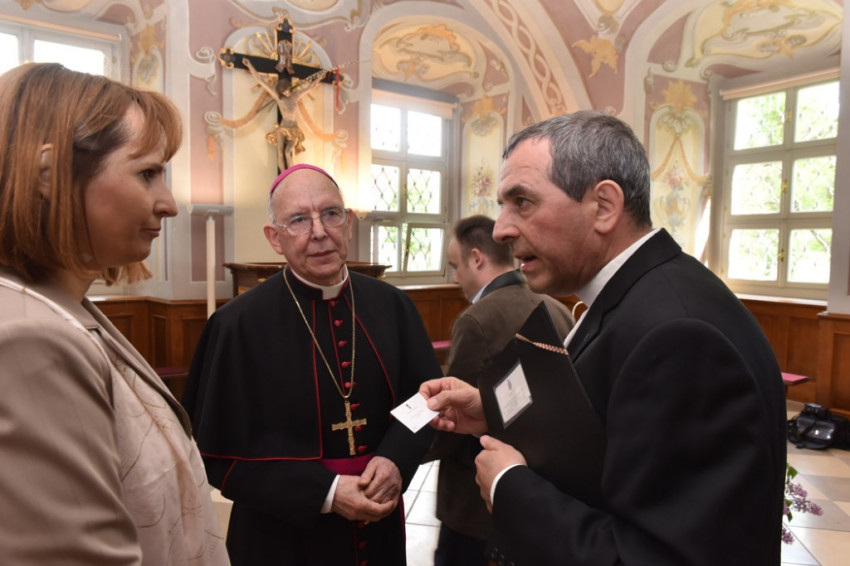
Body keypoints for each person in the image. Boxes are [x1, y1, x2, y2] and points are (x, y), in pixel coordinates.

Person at [420, 111, 787, 565]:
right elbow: (607, 436)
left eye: (522, 202)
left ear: (604, 206)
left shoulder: (679, 335)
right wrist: (493, 413)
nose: (501, 228)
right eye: (503, 204)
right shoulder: (637, 293)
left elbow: (657, 556)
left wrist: (508, 486)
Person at [0, 63, 228, 565]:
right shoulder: (27, 339)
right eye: (147, 173)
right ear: (49, 175)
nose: (168, 204)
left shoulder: (60, 307)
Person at [182, 163, 443, 565]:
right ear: (275, 238)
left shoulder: (393, 306)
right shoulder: (236, 325)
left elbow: (424, 402)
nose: (319, 232)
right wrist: (327, 492)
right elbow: (216, 456)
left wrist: (396, 459)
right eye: (299, 220)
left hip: (379, 527)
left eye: (331, 214)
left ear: (348, 223)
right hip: (280, 539)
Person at [426, 214, 574, 566]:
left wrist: (400, 452)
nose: (455, 278)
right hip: (541, 490)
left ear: (477, 258)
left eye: (456, 266)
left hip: (476, 499)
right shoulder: (557, 307)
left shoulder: (476, 319)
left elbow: (452, 419)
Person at [243, 58, 326, 171]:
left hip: (293, 128)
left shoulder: (296, 95)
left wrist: (319, 78)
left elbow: (310, 87)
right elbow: (260, 80)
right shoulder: (279, 97)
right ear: (281, 92)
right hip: (283, 127)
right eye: (284, 92)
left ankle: (290, 174)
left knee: (288, 152)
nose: (287, 93)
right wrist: (249, 66)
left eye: (288, 91)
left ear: (290, 87)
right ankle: (283, 176)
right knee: (280, 151)